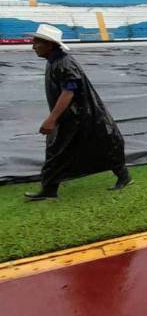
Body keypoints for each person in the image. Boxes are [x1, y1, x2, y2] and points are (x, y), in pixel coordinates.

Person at [24, 24, 132, 201]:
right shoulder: (55, 61)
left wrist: (51, 119)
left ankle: (50, 189)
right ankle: (123, 176)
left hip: (77, 117)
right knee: (102, 144)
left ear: (49, 44)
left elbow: (69, 92)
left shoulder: (63, 64)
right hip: (76, 115)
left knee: (59, 149)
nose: (33, 46)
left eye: (36, 42)